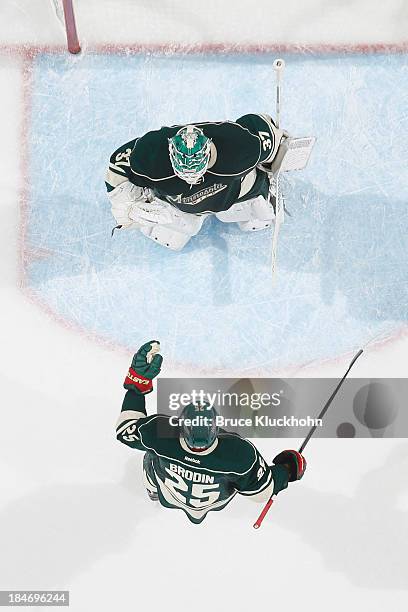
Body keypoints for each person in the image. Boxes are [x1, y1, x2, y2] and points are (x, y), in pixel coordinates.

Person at [115, 341, 306, 524]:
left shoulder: (159, 433)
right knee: (235, 480)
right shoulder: (240, 454)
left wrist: (137, 386)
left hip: (168, 494)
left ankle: (153, 492)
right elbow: (263, 493)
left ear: (181, 425)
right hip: (211, 504)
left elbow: (125, 430)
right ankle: (179, 506)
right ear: (216, 428)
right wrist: (288, 470)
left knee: (151, 455)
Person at [105, 113, 291, 250]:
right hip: (179, 208)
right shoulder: (149, 153)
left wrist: (283, 152)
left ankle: (260, 195)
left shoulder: (241, 145)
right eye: (183, 172)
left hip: (235, 195)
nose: (191, 179)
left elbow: (265, 131)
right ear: (170, 153)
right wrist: (125, 208)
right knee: (170, 233)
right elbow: (117, 167)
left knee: (261, 210)